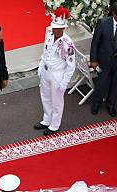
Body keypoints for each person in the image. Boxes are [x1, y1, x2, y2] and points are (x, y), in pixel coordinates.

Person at [35, 7, 76, 135]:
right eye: (54, 27)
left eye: (58, 29)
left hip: (57, 74)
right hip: (46, 71)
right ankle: (47, 119)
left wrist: (65, 82)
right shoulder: (49, 33)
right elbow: (45, 51)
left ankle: (55, 124)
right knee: (45, 96)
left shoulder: (68, 44)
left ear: (63, 28)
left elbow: (71, 65)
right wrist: (41, 66)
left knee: (57, 100)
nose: (55, 30)